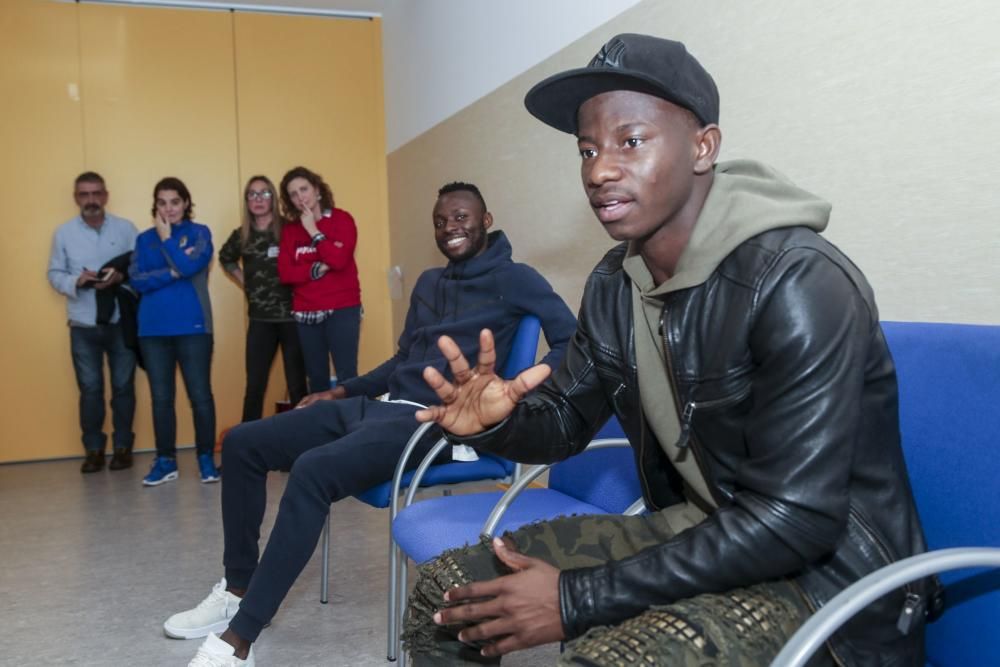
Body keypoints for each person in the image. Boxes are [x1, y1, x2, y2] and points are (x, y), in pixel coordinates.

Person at [405, 35, 936, 666]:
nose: (599, 169)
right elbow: (567, 421)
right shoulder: (614, 282)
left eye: (630, 141)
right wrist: (501, 421)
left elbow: (798, 520)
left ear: (703, 147)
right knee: (451, 598)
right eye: (587, 148)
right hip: (701, 533)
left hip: (827, 585)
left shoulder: (797, 280)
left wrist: (577, 598)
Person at [164, 182, 578, 667]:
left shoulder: (516, 278)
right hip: (378, 406)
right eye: (442, 222)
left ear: (486, 220)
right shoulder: (428, 283)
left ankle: (241, 639)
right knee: (242, 444)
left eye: (462, 218)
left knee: (313, 471)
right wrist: (340, 390)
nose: (451, 229)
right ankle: (238, 587)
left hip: (435, 423)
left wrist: (509, 401)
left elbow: (570, 340)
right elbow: (403, 358)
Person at [130, 177, 220, 486]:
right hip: (152, 331)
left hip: (193, 328)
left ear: (185, 203)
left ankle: (206, 458)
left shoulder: (200, 233)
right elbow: (137, 280)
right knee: (161, 398)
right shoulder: (143, 240)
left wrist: (168, 240)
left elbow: (188, 266)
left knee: (200, 396)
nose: (168, 208)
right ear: (155, 205)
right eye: (162, 202)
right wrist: (170, 272)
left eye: (175, 202)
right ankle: (165, 460)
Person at [47, 171, 139, 473]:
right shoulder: (63, 233)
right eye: (85, 194)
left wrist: (121, 277)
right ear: (76, 198)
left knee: (123, 387)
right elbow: (54, 274)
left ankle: (123, 447)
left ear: (106, 195)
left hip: (119, 322)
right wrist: (79, 280)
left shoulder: (127, 229)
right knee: (90, 389)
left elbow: (141, 267)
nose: (91, 200)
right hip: (83, 324)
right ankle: (94, 450)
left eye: (97, 193)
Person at [219, 175, 308, 422]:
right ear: (247, 200)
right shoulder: (242, 235)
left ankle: (300, 448)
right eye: (252, 194)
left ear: (274, 198)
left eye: (265, 193)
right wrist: (244, 282)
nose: (258, 199)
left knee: (298, 386)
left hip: (292, 319)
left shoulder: (289, 229)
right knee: (255, 387)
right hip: (260, 321)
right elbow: (225, 258)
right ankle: (247, 447)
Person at [277, 166, 361, 394]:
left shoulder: (342, 220)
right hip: (306, 311)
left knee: (347, 376)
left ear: (317, 190)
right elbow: (285, 273)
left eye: (304, 189)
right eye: (293, 194)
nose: (300, 196)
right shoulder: (290, 232)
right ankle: (321, 427)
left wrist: (314, 231)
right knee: (316, 379)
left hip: (343, 308)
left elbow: (340, 260)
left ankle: (352, 427)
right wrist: (316, 269)